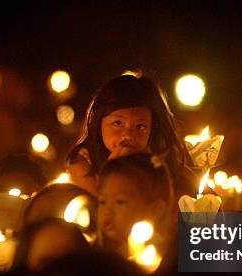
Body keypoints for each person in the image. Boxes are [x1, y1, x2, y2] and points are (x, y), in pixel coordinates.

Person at [66, 74, 196, 197]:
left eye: (140, 126)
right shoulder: (84, 164)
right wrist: (114, 173)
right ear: (99, 122)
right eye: (117, 123)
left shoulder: (165, 163)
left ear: (152, 128)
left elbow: (208, 213)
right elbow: (100, 215)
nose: (127, 134)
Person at [96, 152, 175, 259]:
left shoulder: (164, 258)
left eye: (120, 201)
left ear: (155, 210)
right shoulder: (113, 253)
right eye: (102, 201)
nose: (107, 211)